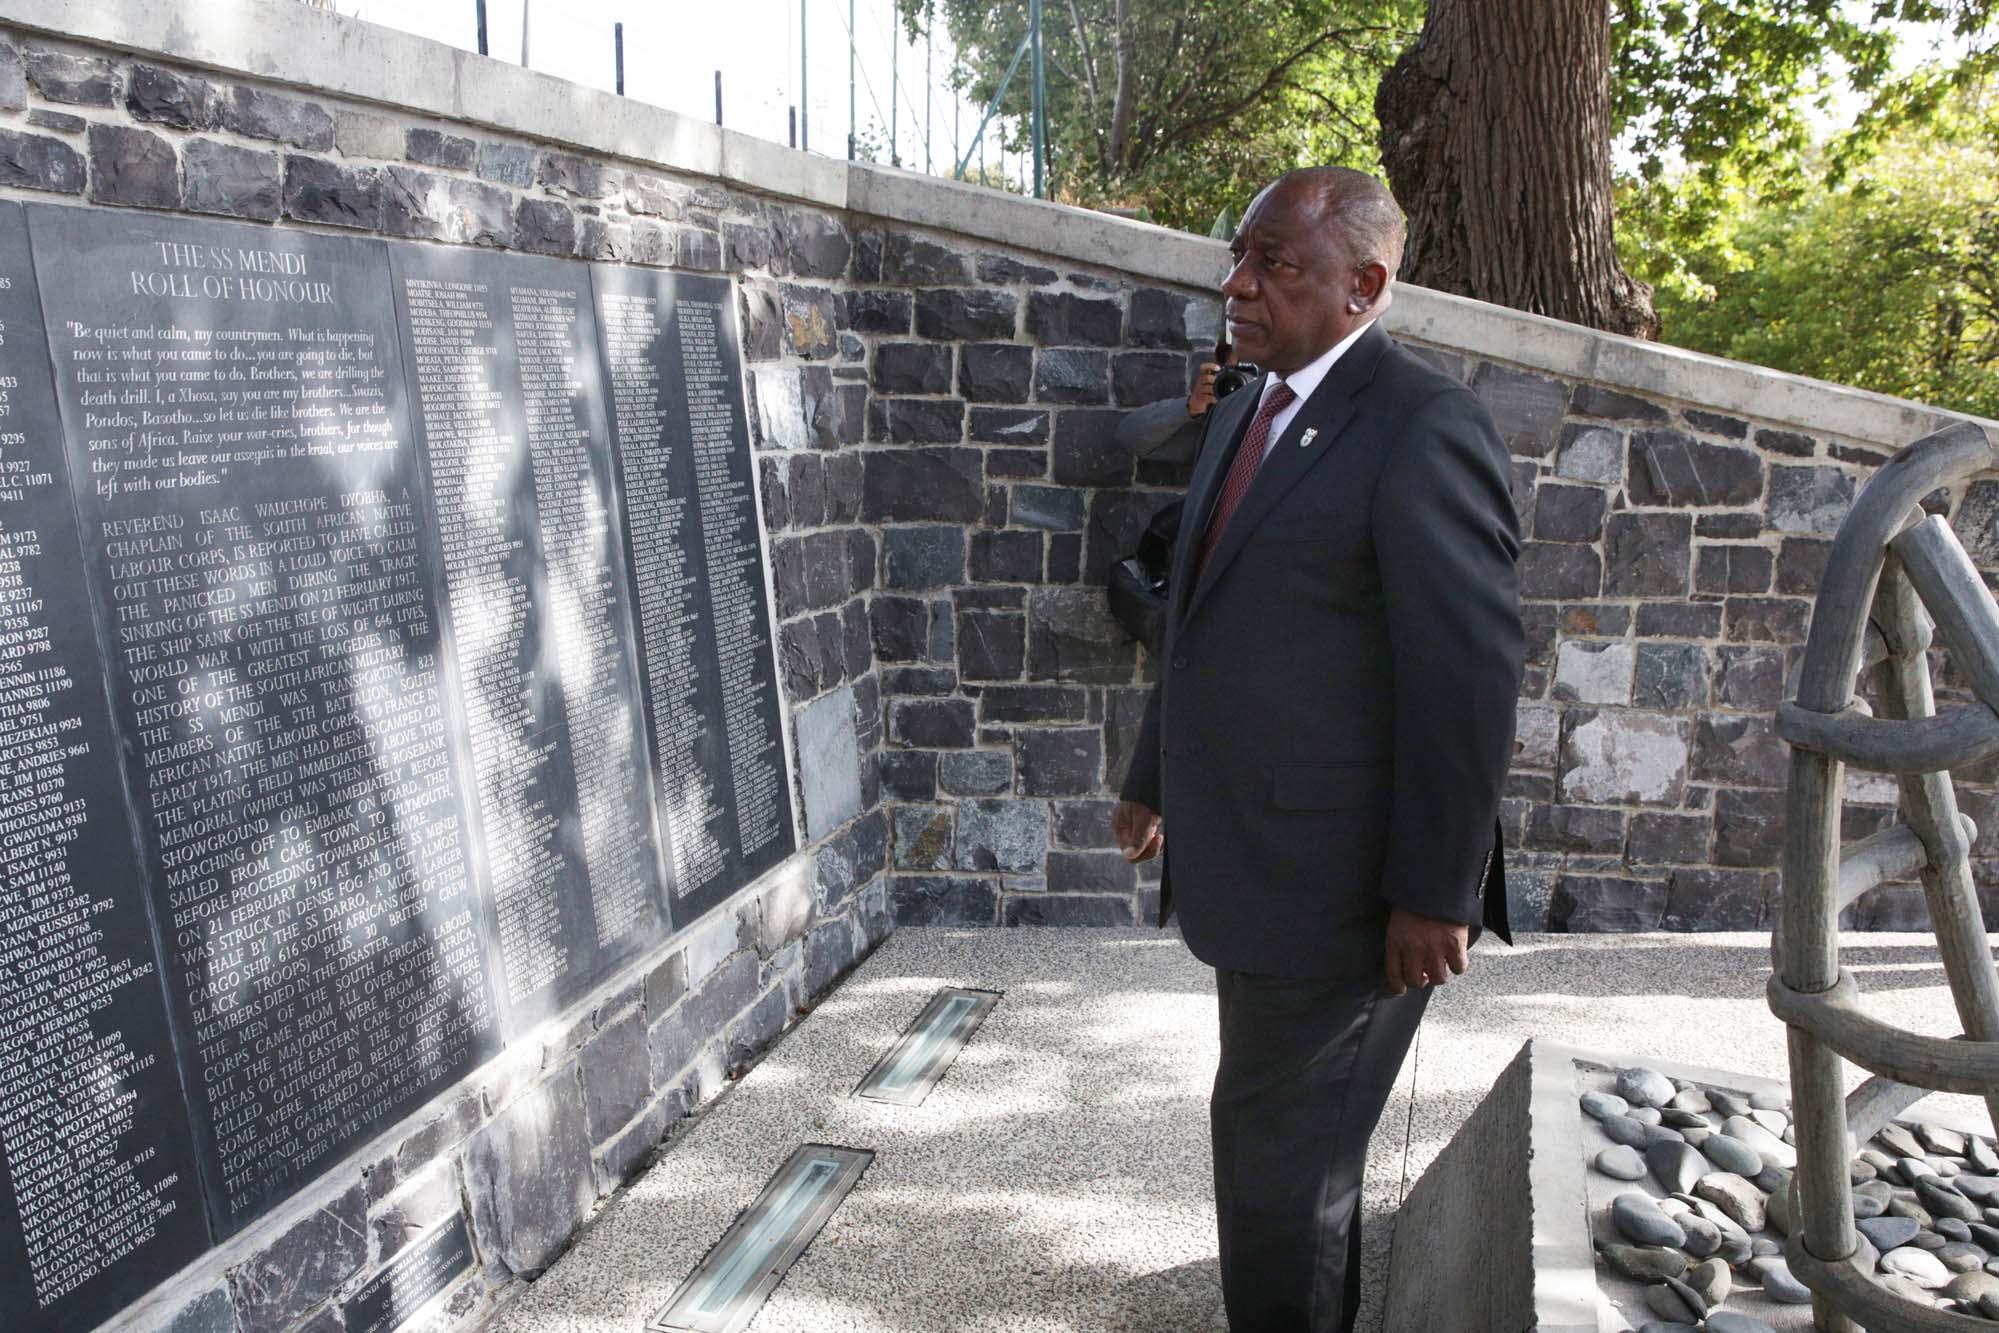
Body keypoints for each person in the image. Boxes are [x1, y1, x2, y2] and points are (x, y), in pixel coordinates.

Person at [1112, 166, 1524, 1333]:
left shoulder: (1423, 424)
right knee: (1282, 1154)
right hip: (1259, 864)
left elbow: (1466, 675)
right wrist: (1153, 778)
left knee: (1278, 1170)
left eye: (1273, 265)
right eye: (1239, 257)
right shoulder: (1252, 402)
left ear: (1364, 285)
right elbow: (1199, 614)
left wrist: (1432, 890)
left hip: (1345, 888)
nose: (1237, 286)